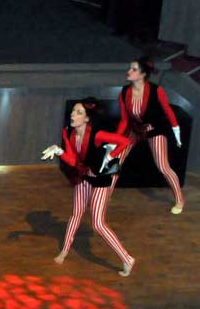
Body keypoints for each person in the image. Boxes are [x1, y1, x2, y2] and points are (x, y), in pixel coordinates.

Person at [41, 98, 135, 276]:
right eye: (73, 111)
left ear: (86, 119)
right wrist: (59, 151)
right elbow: (73, 161)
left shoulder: (97, 134)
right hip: (84, 176)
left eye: (78, 112)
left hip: (100, 179)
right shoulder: (69, 133)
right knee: (76, 214)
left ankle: (127, 258)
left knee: (98, 223)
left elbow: (125, 142)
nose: (73, 115)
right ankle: (64, 251)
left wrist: (110, 156)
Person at [111, 56, 185, 214]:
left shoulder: (156, 90)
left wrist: (176, 132)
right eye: (130, 68)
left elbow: (168, 112)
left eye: (134, 69)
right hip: (134, 129)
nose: (129, 72)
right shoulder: (124, 92)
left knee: (163, 166)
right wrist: (115, 140)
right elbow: (124, 120)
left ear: (143, 74)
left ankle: (179, 199)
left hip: (154, 129)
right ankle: (105, 195)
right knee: (115, 161)